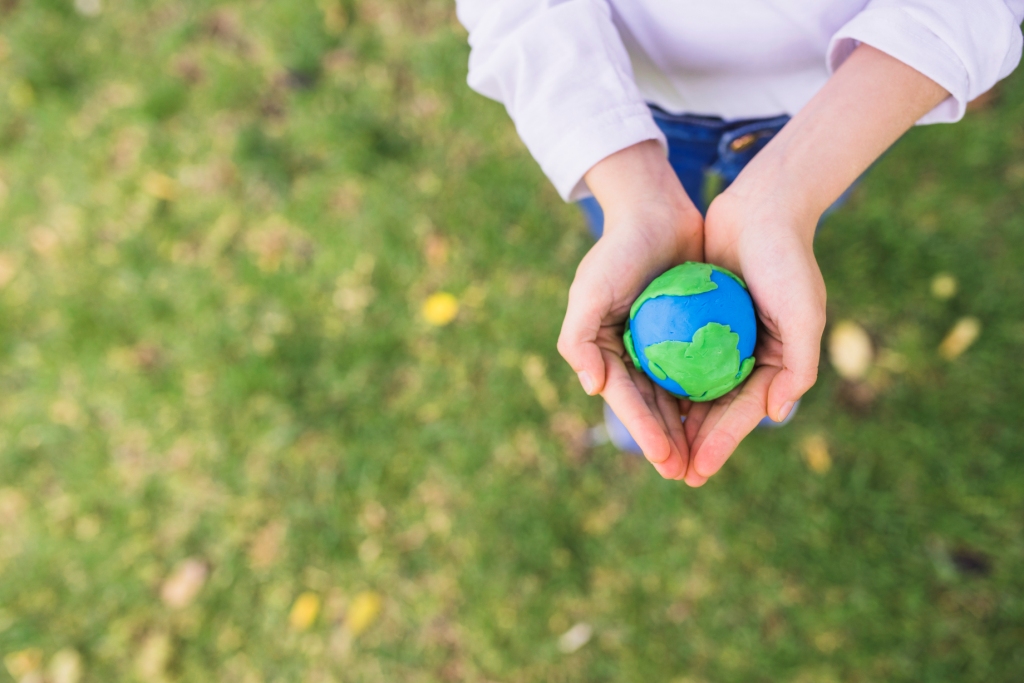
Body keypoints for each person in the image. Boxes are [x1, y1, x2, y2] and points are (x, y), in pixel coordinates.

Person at [455, 1, 1024, 486]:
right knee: (627, 239)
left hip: (837, 108)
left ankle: (774, 329)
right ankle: (664, 371)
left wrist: (791, 196)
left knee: (785, 239)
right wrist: (629, 192)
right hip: (617, 92)